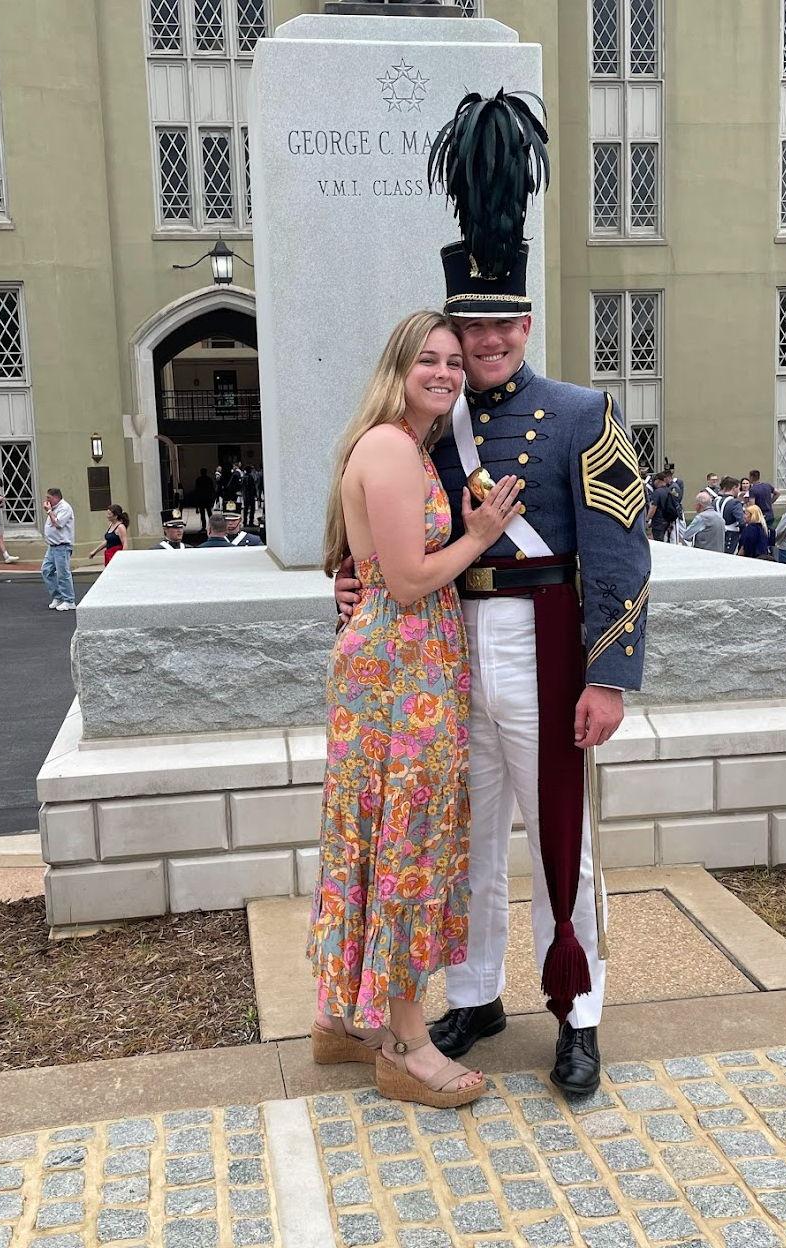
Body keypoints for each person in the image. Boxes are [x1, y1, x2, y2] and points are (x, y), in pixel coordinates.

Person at [337, 90, 651, 1097]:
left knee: (564, 834)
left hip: (547, 635)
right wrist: (348, 587)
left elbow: (621, 548)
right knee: (460, 836)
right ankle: (474, 992)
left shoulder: (579, 411)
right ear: (453, 336)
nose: (491, 344)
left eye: (506, 324)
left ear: (525, 322)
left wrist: (612, 675)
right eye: (473, 330)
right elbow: (368, 528)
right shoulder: (427, 428)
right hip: (442, 642)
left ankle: (581, 1009)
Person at [311, 311, 522, 1109]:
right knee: (404, 845)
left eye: (452, 362)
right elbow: (403, 581)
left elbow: (370, 568)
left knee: (375, 842)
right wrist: (480, 534)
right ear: (397, 367)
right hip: (401, 673)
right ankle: (405, 1043)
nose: (444, 371)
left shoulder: (403, 445)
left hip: (400, 666)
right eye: (427, 360)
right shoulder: (393, 447)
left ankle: (342, 1018)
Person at [41, 487, 76, 611]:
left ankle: (69, 600)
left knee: (63, 574)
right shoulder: (55, 508)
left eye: (49, 498)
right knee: (46, 570)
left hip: (62, 545)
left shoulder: (64, 508)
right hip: (52, 546)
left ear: (56, 497)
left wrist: (49, 511)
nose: (47, 500)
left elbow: (59, 523)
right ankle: (58, 596)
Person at [647, 469, 680, 543]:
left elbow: (653, 507)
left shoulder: (657, 492)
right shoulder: (670, 491)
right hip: (668, 521)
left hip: (658, 522)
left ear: (658, 480)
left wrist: (647, 519)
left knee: (659, 542)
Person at [715, 475, 745, 554]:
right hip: (731, 535)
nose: (739, 491)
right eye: (738, 488)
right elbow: (741, 521)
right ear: (734, 487)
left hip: (716, 534)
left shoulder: (715, 501)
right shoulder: (735, 503)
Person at [191, 468, 216, 534]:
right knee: (209, 513)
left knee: (203, 514)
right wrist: (213, 499)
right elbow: (212, 489)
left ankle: (204, 526)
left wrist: (196, 505)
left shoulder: (198, 480)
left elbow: (196, 490)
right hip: (207, 498)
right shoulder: (209, 479)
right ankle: (211, 526)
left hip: (201, 498)